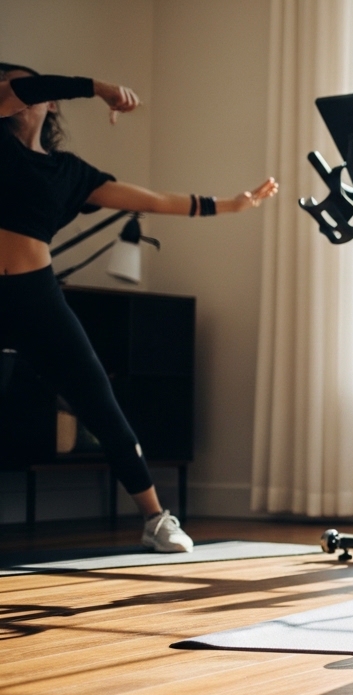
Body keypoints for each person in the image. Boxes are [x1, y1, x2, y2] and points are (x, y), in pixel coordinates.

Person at [0, 64, 278, 552]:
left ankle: (155, 518)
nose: (19, 93)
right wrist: (100, 88)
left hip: (35, 297)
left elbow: (151, 199)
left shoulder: (69, 173)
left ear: (52, 106)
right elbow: (23, 89)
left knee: (97, 400)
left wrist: (231, 205)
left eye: (30, 87)